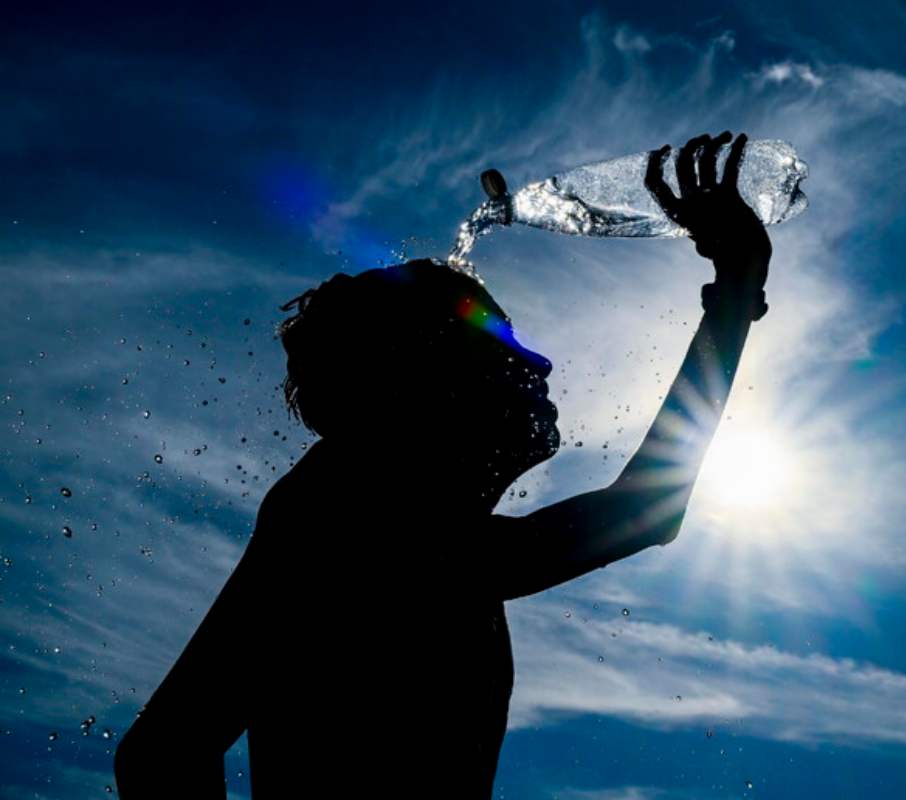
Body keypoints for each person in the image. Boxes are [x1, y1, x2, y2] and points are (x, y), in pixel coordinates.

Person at [113, 131, 772, 797]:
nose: (539, 365)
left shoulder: (388, 519)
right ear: (424, 377)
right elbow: (163, 753)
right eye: (502, 343)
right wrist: (736, 289)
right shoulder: (345, 510)